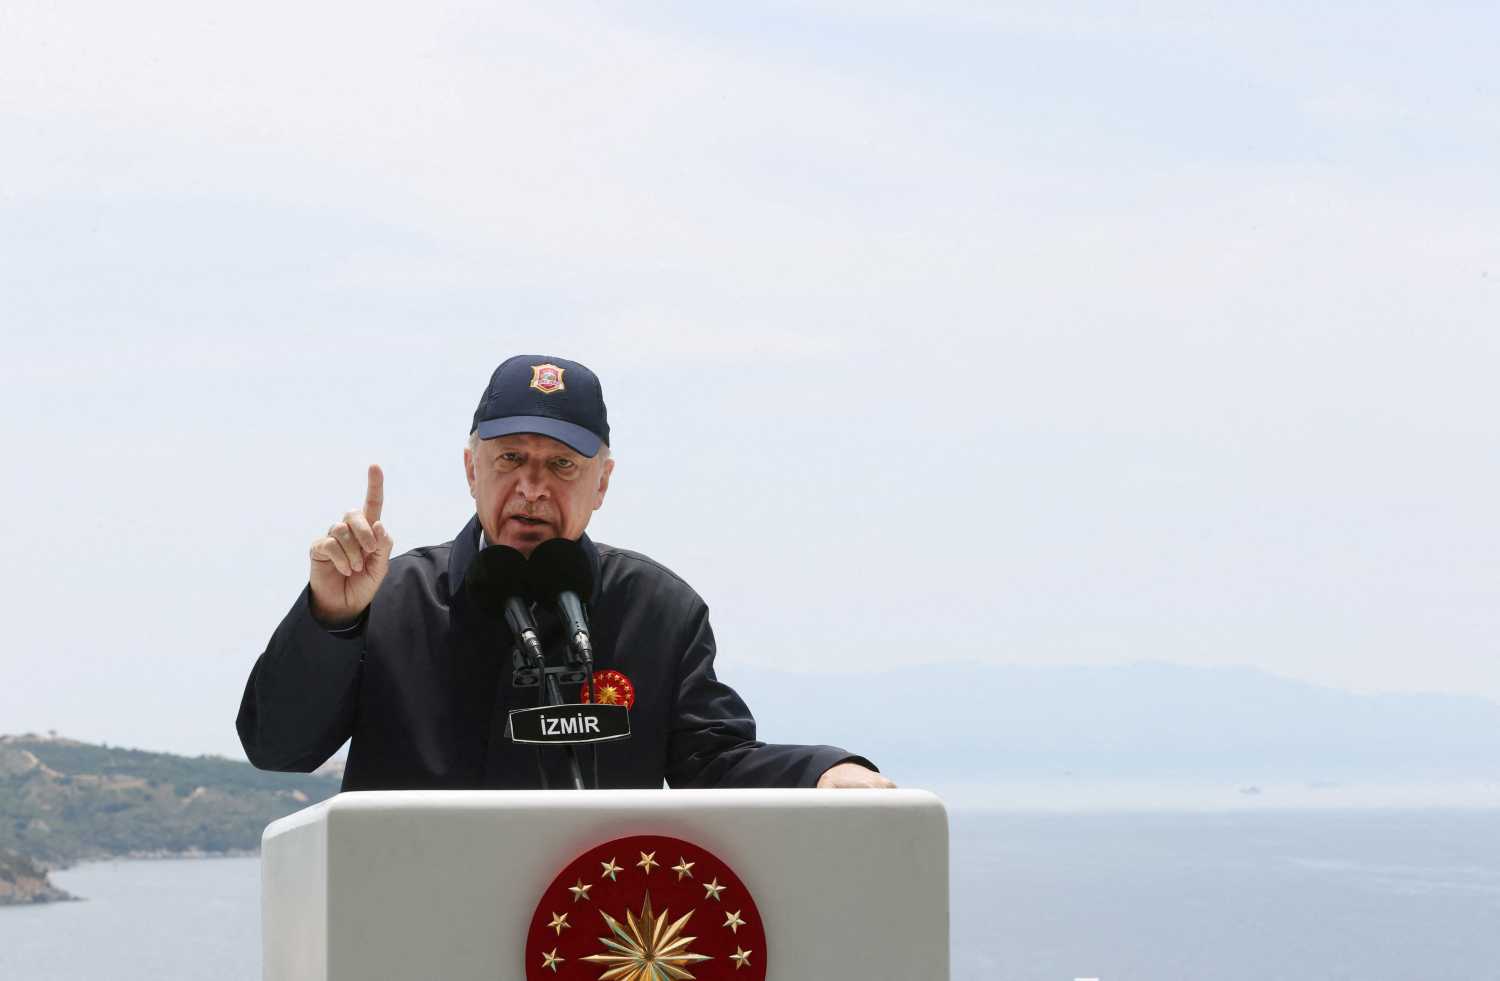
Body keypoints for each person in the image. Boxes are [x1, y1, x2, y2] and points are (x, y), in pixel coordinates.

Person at [237, 355, 894, 792]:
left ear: (602, 482)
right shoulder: (389, 600)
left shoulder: (659, 613)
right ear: (472, 469)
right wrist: (331, 616)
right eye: (511, 458)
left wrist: (822, 773)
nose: (531, 487)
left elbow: (716, 761)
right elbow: (278, 746)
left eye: (561, 466)